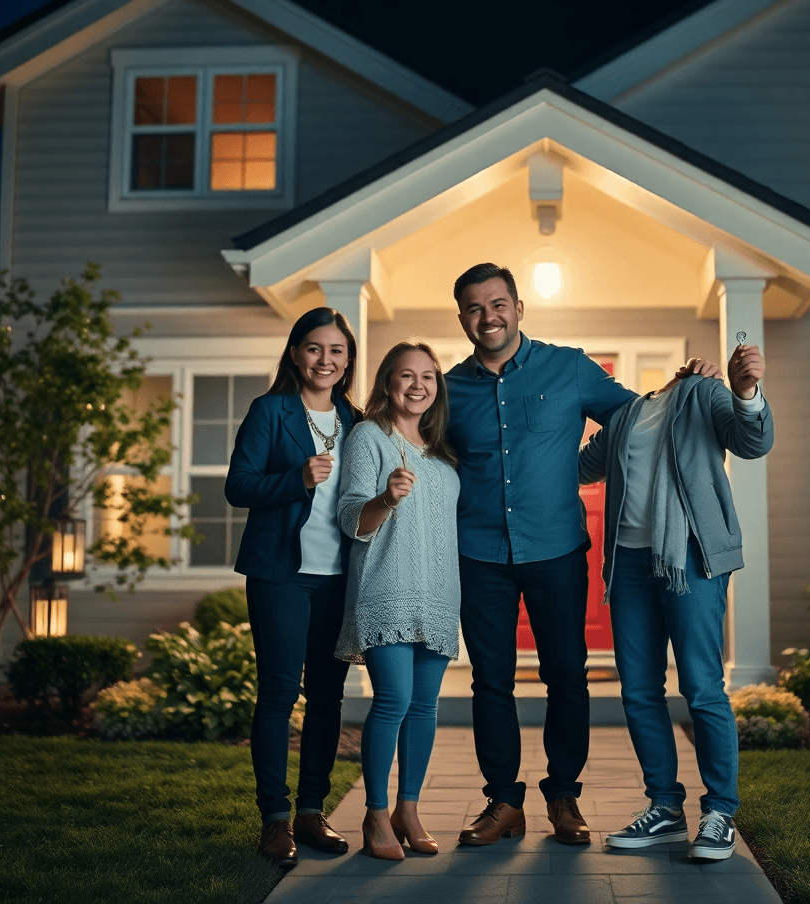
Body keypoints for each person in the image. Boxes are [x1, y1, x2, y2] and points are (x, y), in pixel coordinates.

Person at [445, 262, 721, 846]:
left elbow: (633, 419)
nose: (487, 317)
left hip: (557, 550)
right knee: (490, 681)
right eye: (474, 308)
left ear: (518, 308)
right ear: (463, 318)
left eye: (497, 304)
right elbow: (424, 457)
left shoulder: (567, 367)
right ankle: (502, 803)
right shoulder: (449, 390)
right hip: (479, 553)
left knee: (567, 676)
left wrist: (677, 390)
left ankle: (563, 798)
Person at [578, 340, 773, 861]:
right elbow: (580, 469)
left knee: (702, 686)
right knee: (639, 691)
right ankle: (664, 808)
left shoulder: (702, 393)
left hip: (690, 557)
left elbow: (751, 441)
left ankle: (719, 813)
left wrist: (746, 390)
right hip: (630, 564)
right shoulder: (624, 414)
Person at [224, 306, 362, 868]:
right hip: (281, 573)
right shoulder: (271, 411)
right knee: (280, 694)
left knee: (329, 697)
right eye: (314, 348)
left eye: (336, 351)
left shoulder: (355, 420)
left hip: (338, 578)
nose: (324, 360)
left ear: (348, 360)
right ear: (295, 353)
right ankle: (275, 820)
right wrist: (296, 478)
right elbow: (239, 486)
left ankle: (312, 811)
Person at [336, 342, 461, 860]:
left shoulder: (439, 450)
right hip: (387, 586)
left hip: (438, 592)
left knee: (425, 707)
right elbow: (350, 519)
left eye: (428, 377)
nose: (418, 386)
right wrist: (386, 497)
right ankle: (376, 814)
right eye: (406, 376)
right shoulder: (369, 437)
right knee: (393, 701)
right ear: (388, 382)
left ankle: (410, 809)